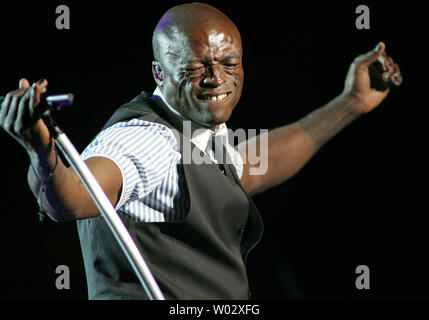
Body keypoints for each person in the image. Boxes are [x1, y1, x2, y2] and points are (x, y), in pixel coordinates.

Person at [0, 3, 402, 300]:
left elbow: (257, 163)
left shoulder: (198, 129)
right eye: (196, 67)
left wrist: (352, 103)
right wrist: (41, 149)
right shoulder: (146, 140)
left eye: (230, 63)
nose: (216, 79)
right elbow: (72, 198)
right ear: (159, 72)